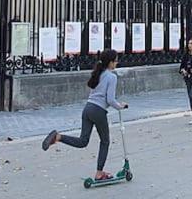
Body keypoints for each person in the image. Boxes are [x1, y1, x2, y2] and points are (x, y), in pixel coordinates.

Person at [42, 49, 128, 182]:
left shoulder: (97, 74)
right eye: (116, 60)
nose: (117, 63)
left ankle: (58, 137)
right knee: (105, 141)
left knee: (83, 141)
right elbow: (110, 100)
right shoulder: (112, 77)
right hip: (98, 111)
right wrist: (120, 106)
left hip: (87, 109)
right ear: (110, 62)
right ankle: (99, 173)